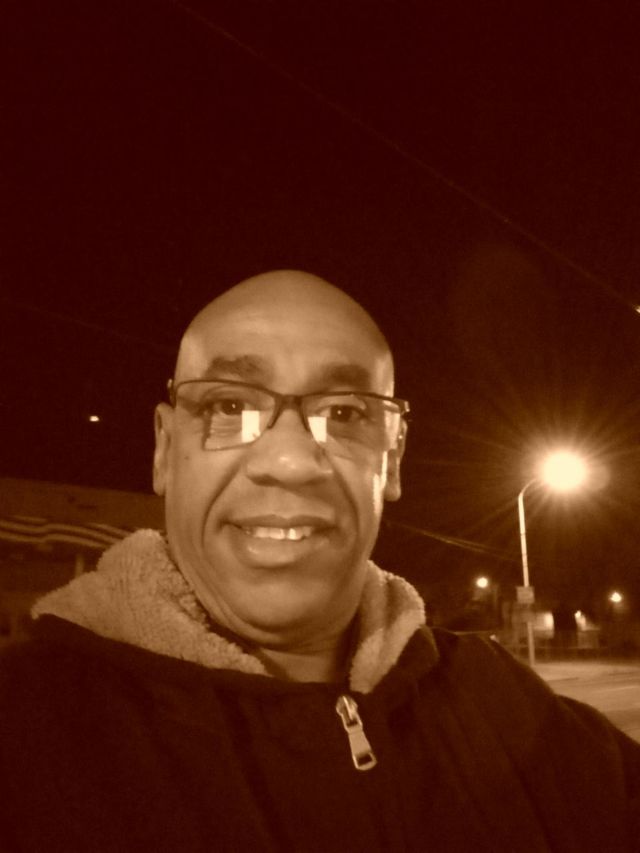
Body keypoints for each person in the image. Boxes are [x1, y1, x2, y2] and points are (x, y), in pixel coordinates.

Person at [1, 270, 639, 852]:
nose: (290, 462)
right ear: (165, 450)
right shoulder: (30, 729)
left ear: (392, 461)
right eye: (229, 406)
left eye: (343, 413)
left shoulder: (505, 704)